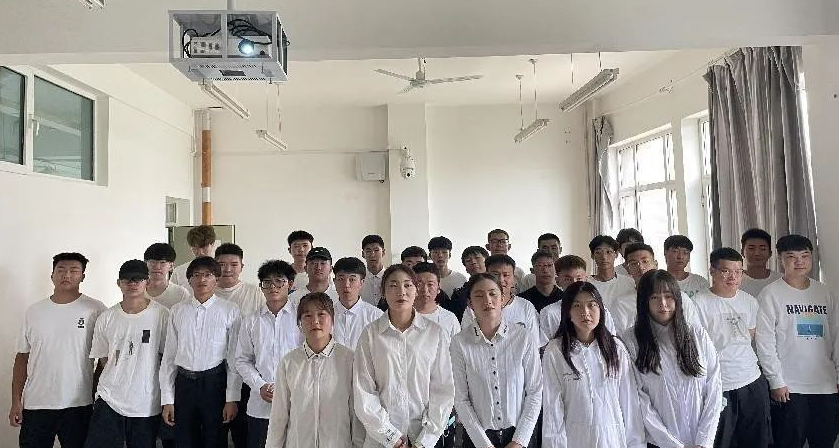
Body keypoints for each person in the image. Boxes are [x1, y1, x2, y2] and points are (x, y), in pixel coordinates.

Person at [11, 253, 107, 448]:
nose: (67, 275)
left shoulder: (96, 309)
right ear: (52, 275)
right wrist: (16, 401)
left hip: (79, 404)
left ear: (83, 276)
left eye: (74, 271)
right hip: (37, 403)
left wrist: (96, 392)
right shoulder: (34, 311)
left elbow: (105, 358)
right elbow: (22, 357)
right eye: (61, 270)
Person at [353, 264, 455, 448]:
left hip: (424, 436)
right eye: (393, 285)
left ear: (416, 290)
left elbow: (443, 390)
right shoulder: (370, 334)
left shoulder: (435, 333)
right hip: (382, 439)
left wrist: (424, 441)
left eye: (408, 285)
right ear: (383, 292)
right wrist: (391, 438)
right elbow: (364, 391)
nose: (401, 291)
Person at [756, 235, 839, 448]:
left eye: (804, 256)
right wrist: (776, 381)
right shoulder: (770, 294)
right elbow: (765, 342)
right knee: (788, 442)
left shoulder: (825, 292)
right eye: (791, 256)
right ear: (780, 259)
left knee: (825, 441)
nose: (799, 261)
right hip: (789, 386)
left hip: (826, 384)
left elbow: (837, 336)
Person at [624, 269, 722, 448]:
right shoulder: (631, 341)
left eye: (668, 296)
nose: (663, 304)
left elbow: (714, 388)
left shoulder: (697, 335)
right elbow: (638, 400)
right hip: (659, 442)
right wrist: (672, 445)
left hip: (701, 441)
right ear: (644, 301)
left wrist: (704, 441)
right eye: (654, 297)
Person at [541, 281, 645, 448]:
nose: (585, 312)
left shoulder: (616, 348)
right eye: (577, 306)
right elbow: (552, 408)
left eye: (592, 305)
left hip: (613, 440)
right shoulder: (556, 351)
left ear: (601, 310)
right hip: (575, 441)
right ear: (568, 313)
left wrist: (636, 444)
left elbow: (629, 404)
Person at [84, 260, 169, 448]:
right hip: (109, 399)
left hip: (146, 402)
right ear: (119, 283)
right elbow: (103, 360)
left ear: (147, 282)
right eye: (127, 279)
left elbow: (167, 359)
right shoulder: (107, 317)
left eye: (138, 279)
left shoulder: (162, 315)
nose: (133, 283)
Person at [451, 273, 542, 448]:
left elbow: (535, 391)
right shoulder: (459, 342)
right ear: (470, 303)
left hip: (519, 435)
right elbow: (461, 399)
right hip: (478, 438)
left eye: (493, 294)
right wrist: (483, 444)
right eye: (479, 296)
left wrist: (519, 441)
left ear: (502, 298)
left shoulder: (523, 337)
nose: (487, 300)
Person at [159, 256, 241, 448]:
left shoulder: (229, 310)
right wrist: (167, 399)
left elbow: (233, 358)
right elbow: (169, 357)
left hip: (215, 383)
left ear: (216, 279)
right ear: (189, 280)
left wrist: (232, 398)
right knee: (184, 440)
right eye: (196, 275)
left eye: (208, 275)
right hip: (184, 384)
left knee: (215, 439)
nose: (202, 279)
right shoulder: (177, 311)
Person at [693, 248, 770, 448]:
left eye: (738, 272)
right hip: (719, 384)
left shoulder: (749, 301)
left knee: (756, 440)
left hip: (751, 380)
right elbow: (696, 347)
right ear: (712, 271)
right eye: (726, 271)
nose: (733, 277)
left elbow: (750, 336)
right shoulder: (698, 303)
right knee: (721, 440)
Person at [266, 292, 363, 448]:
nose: (315, 321)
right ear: (300, 323)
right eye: (308, 316)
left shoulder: (349, 360)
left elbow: (356, 413)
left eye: (321, 314)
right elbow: (279, 415)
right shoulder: (289, 363)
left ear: (332, 319)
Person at [234, 260, 302, 448]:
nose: (273, 287)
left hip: (296, 404)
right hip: (260, 406)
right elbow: (242, 360)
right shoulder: (251, 321)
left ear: (290, 284)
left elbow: (308, 357)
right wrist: (260, 385)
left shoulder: (302, 318)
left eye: (279, 281)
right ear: (261, 287)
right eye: (267, 282)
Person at [611, 243, 703, 335]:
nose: (641, 267)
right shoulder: (621, 304)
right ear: (628, 269)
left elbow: (696, 332)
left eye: (645, 261)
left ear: (655, 264)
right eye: (634, 263)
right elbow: (620, 338)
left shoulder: (679, 296)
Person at [461, 255, 541, 347]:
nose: (501, 280)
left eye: (506, 275)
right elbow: (466, 342)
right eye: (495, 275)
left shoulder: (526, 307)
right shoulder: (473, 308)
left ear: (513, 278)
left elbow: (534, 344)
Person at [539, 256, 617, 348]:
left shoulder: (599, 310)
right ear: (558, 281)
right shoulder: (549, 313)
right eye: (568, 279)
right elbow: (544, 347)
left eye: (579, 278)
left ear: (586, 279)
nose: (574, 283)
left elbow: (611, 341)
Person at [331, 257, 384, 350]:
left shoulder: (376, 316)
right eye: (341, 279)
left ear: (361, 283)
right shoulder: (327, 315)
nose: (346, 285)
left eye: (352, 279)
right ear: (334, 282)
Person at [412, 262, 461, 341]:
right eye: (419, 284)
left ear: (438, 288)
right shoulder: (402, 316)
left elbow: (457, 347)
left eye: (430, 284)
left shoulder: (449, 318)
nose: (425, 289)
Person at [214, 243, 265, 316]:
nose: (228, 270)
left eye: (234, 265)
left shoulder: (254, 292)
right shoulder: (206, 292)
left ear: (241, 267)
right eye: (222, 265)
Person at [587, 235, 635, 309]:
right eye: (598, 252)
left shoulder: (630, 283)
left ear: (616, 254)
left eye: (608, 252)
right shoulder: (587, 285)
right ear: (592, 255)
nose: (604, 257)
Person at [446, 246, 489, 322]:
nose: (473, 262)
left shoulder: (499, 286)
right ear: (466, 268)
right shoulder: (459, 295)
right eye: (469, 260)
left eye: (477, 258)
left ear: (487, 261)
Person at [144, 243, 190, 309]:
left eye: (162, 262)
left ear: (171, 266)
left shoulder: (181, 294)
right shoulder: (136, 290)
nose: (157, 267)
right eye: (152, 262)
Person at [739, 228, 782, 298]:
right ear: (742, 252)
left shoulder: (781, 280)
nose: (757, 253)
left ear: (770, 253)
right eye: (751, 248)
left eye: (762, 249)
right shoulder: (734, 281)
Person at [663, 235, 710, 299]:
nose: (680, 257)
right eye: (675, 251)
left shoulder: (700, 282)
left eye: (685, 253)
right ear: (665, 252)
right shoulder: (658, 282)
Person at [172, 225, 216, 289]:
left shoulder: (223, 270)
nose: (200, 252)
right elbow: (172, 294)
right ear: (191, 247)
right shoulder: (179, 272)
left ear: (212, 244)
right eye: (195, 248)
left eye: (204, 247)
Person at [360, 234, 387, 306]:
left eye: (376, 250)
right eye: (368, 251)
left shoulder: (390, 277)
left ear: (383, 252)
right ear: (363, 254)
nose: (372, 255)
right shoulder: (359, 279)